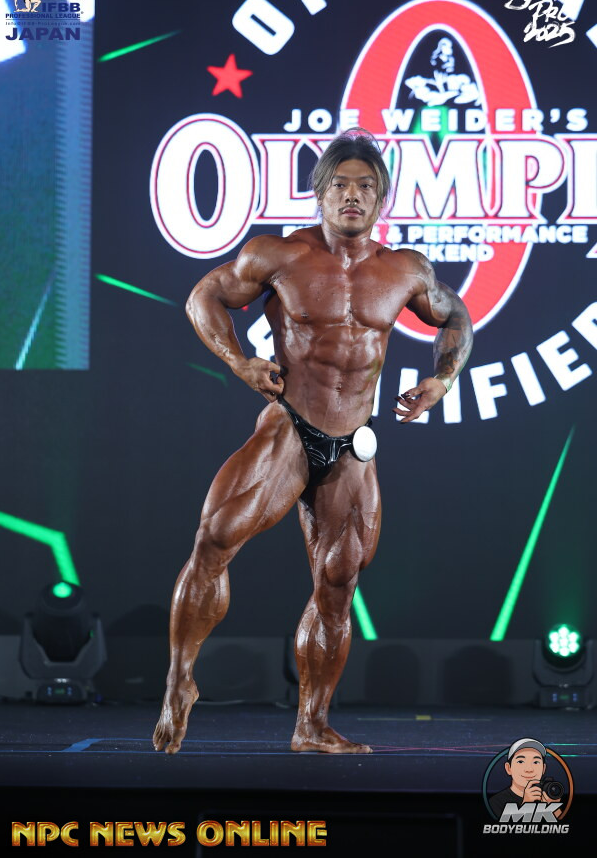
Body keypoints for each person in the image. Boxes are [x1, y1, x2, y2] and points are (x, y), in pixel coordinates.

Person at [153, 128, 473, 755]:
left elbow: (455, 315)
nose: (352, 196)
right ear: (320, 194)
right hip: (291, 427)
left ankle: (312, 724)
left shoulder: (405, 269)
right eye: (340, 185)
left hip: (353, 442)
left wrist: (442, 379)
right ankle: (178, 681)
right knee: (214, 539)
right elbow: (205, 295)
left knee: (338, 583)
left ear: (380, 199)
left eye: (365, 187)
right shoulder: (280, 255)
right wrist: (239, 360)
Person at [489, 739, 564, 819]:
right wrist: (526, 804)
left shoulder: (548, 796)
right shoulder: (496, 802)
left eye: (536, 762)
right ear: (508, 768)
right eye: (521, 762)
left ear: (543, 769)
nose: (529, 769)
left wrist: (553, 807)